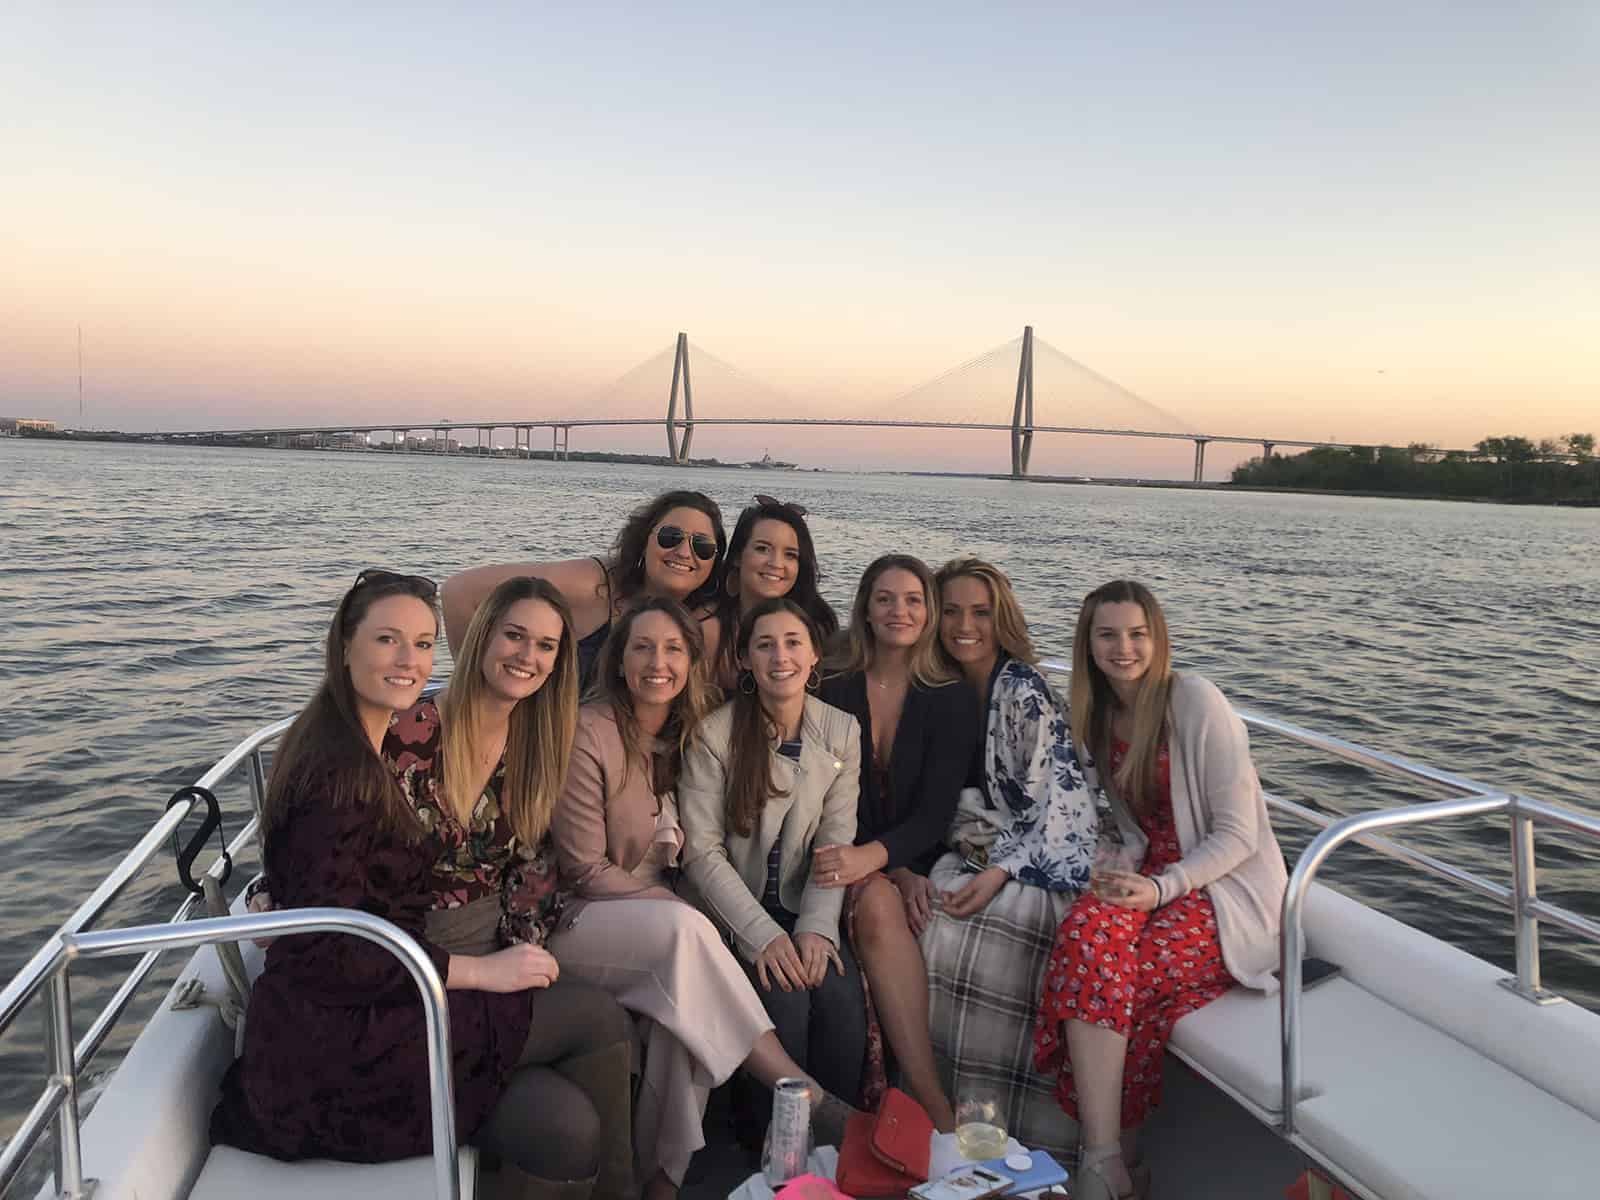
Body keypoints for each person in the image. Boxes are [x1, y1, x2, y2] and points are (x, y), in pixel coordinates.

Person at [211, 571, 571, 1184]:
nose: (409, 661)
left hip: (377, 996)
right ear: (344, 645)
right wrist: (485, 973)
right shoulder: (353, 768)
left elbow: (332, 890)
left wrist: (519, 944)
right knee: (590, 1049)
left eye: (424, 644)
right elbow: (335, 946)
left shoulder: (347, 746)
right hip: (347, 1045)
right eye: (388, 640)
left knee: (569, 1103)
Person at [550, 597, 860, 1200]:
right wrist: (700, 916)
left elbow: (834, 842)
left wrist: (812, 928)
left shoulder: (679, 730)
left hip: (666, 914)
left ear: (693, 663)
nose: (658, 662)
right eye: (642, 647)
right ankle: (802, 1096)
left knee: (690, 1019)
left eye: (673, 650)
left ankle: (663, 1182)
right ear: (618, 660)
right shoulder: (591, 733)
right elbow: (586, 870)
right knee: (701, 946)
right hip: (589, 907)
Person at [1033, 581, 1288, 1200]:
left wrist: (1160, 887)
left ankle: (1105, 1164)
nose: (1124, 648)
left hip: (1223, 890)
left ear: (1158, 638)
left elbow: (1239, 836)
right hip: (1155, 879)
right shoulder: (1098, 717)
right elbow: (1126, 825)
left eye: (1137, 634)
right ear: (1088, 645)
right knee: (1083, 936)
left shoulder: (1195, 701)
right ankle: (1112, 1161)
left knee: (1122, 974)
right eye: (1108, 635)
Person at [387, 575, 635, 1200]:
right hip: (404, 974)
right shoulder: (405, 735)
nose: (528, 656)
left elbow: (532, 868)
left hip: (487, 955)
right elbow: (355, 872)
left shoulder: (535, 742)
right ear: (481, 637)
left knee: (572, 1114)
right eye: (515, 636)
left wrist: (522, 955)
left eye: (547, 646)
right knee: (594, 1035)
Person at [920, 558, 1097, 1158]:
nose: (964, 626)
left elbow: (1060, 801)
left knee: (1009, 929)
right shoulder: (939, 685)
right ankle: (944, 1115)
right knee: (937, 922)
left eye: (980, 613)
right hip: (973, 842)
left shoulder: (1021, 689)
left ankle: (1022, 1131)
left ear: (1002, 619)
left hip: (1034, 850)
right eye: (950, 612)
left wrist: (1002, 870)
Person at [677, 598, 865, 1147]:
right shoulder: (714, 735)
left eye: (792, 643)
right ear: (746, 660)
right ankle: (772, 1148)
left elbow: (836, 841)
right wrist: (762, 937)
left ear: (813, 657)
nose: (780, 656)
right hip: (737, 910)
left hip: (806, 904)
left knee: (837, 996)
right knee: (781, 998)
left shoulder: (841, 731)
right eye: (765, 644)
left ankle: (839, 1150)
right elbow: (703, 855)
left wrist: (815, 928)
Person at [814, 554, 976, 1129]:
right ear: (865, 608)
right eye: (885, 598)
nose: (898, 610)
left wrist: (896, 864)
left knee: (886, 899)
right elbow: (825, 793)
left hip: (907, 851)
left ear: (929, 612)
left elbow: (935, 813)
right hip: (842, 845)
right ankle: (930, 1105)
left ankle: (926, 1102)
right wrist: (877, 865)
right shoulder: (833, 682)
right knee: (879, 903)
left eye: (912, 599)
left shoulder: (949, 696)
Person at [441, 490, 728, 689]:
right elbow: (460, 593)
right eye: (671, 537)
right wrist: (480, 694)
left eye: (702, 545)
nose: (683, 552)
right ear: (644, 540)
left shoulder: (706, 620)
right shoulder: (595, 583)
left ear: (716, 561)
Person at [709, 496, 838, 688]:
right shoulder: (708, 630)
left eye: (790, 555)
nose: (776, 564)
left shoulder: (819, 630)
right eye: (762, 549)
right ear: (737, 556)